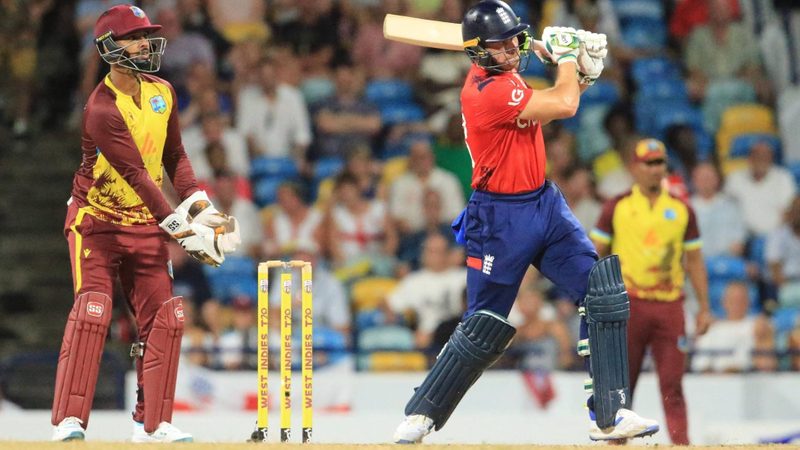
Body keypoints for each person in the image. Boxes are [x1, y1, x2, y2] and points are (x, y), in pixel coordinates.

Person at [392, 0, 659, 444]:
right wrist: (569, 58)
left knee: (602, 292)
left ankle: (610, 415)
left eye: (513, 40)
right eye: (499, 46)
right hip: (499, 218)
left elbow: (551, 103)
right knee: (484, 324)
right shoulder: (486, 91)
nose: (511, 50)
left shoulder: (505, 73)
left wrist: (575, 71)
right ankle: (422, 412)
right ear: (479, 52)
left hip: (543, 204)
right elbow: (565, 104)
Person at [51, 5, 240, 443]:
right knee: (93, 310)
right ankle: (69, 420)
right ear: (108, 47)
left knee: (167, 318)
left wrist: (202, 209)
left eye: (145, 36)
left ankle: (151, 423)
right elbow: (137, 175)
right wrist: (182, 230)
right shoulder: (101, 108)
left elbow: (175, 157)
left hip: (143, 225)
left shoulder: (163, 92)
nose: (144, 44)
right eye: (134, 37)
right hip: (96, 223)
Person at [590, 138, 712, 445]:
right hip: (628, 304)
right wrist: (592, 298)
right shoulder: (617, 206)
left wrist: (704, 308)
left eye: (660, 163)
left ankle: (680, 443)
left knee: (672, 383)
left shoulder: (682, 209)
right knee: (622, 385)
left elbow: (695, 261)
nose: (656, 169)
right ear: (634, 167)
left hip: (670, 306)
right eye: (649, 163)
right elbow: (595, 254)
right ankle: (616, 443)